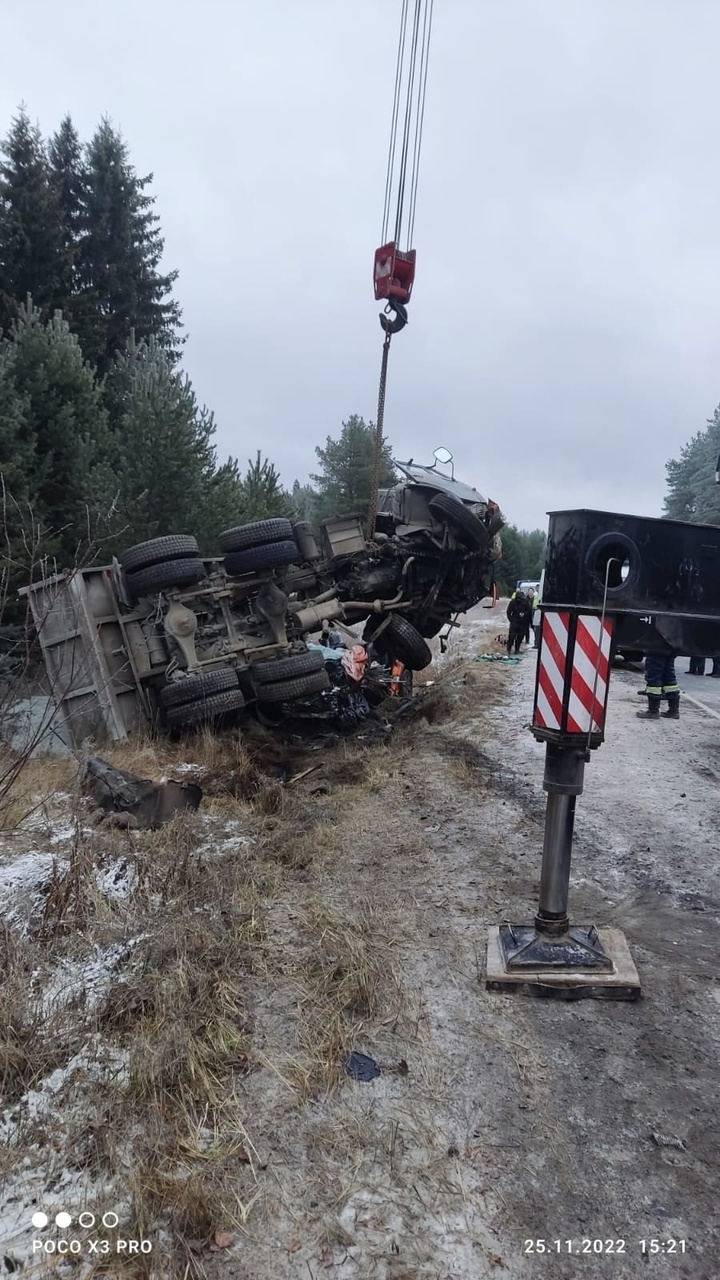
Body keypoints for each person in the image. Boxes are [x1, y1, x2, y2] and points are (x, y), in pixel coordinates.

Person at [637, 651, 680, 720]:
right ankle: (673, 710)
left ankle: (653, 711)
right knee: (669, 676)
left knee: (654, 676)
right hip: (672, 647)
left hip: (658, 647)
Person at [507, 590, 532, 655]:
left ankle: (517, 650)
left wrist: (524, 614)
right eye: (517, 598)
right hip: (515, 621)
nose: (519, 600)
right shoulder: (512, 602)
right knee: (511, 637)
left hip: (523, 622)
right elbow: (508, 612)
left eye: (520, 598)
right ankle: (508, 650)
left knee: (520, 637)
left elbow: (529, 611)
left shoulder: (526, 602)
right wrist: (511, 620)